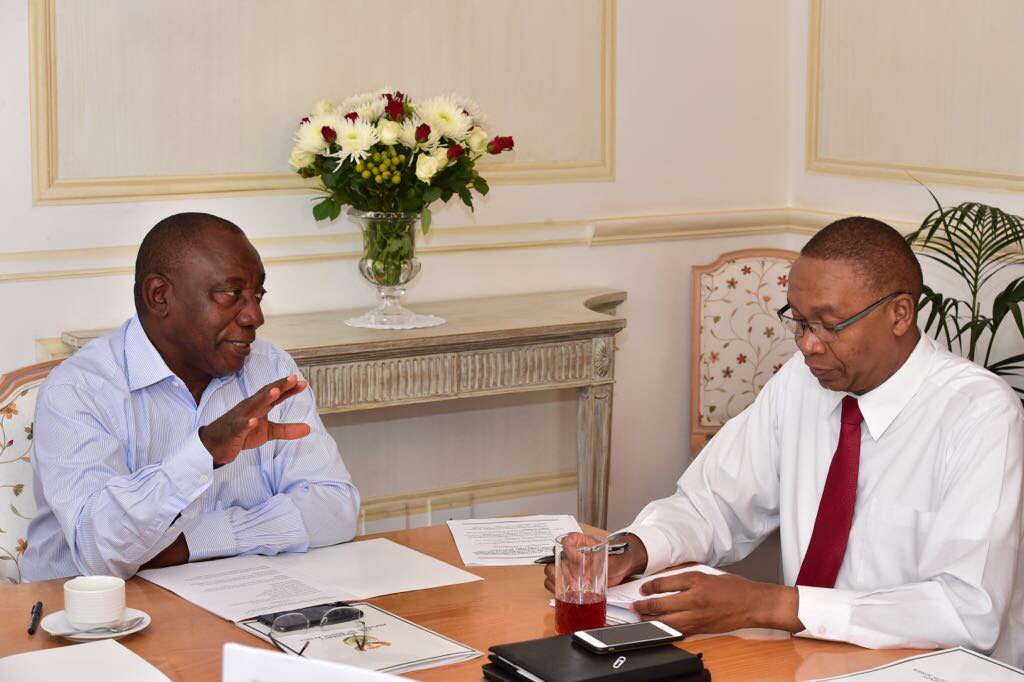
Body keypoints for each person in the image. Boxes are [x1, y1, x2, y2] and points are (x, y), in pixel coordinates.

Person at [546, 217, 1023, 662]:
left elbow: (966, 610)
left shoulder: (978, 414)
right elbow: (713, 503)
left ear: (900, 314)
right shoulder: (803, 381)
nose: (808, 344)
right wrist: (631, 549)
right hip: (803, 661)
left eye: (829, 324)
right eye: (798, 320)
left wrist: (770, 604)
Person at [24, 213, 360, 581]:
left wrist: (190, 544)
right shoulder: (81, 389)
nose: (254, 316)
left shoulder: (270, 368)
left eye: (257, 294)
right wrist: (203, 452)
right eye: (231, 294)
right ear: (160, 296)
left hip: (236, 596)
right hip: (85, 620)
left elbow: (338, 509)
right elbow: (99, 553)